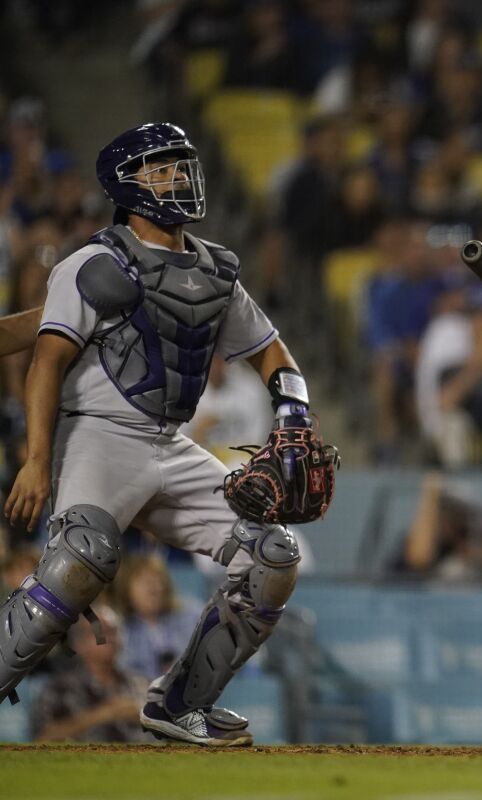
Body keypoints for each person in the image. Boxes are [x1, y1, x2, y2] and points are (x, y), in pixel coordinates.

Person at [0, 123, 331, 746]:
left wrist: (293, 414)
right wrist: (36, 459)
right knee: (80, 561)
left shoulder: (215, 269)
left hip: (171, 443)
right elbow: (45, 361)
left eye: (181, 164)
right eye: (160, 168)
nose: (177, 177)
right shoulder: (93, 262)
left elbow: (272, 351)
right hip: (97, 435)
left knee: (273, 555)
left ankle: (180, 704)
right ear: (124, 186)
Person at [30, 605, 149, 743]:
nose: (109, 637)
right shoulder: (58, 691)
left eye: (114, 631)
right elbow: (42, 739)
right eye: (100, 631)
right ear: (79, 644)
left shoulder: (141, 685)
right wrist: (104, 714)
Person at [111, 553, 201, 681]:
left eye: (158, 580)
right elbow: (120, 671)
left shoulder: (192, 615)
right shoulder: (121, 629)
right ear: (127, 590)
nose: (154, 588)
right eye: (145, 582)